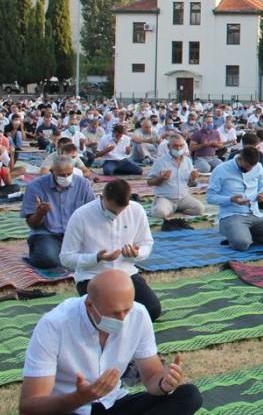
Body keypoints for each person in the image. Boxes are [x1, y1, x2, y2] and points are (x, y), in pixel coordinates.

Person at [19, 269, 202, 415]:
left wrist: (164, 383)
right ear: (90, 306)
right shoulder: (54, 325)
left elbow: (152, 375)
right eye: (114, 313)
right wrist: (79, 397)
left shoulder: (138, 314)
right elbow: (30, 406)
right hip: (69, 408)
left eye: (126, 310)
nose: (123, 319)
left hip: (113, 403)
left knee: (189, 396)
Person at [60, 179, 161, 321]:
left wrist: (136, 254)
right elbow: (66, 258)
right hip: (92, 275)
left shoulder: (136, 210)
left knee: (152, 310)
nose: (116, 216)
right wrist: (96, 258)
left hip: (126, 273)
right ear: (102, 197)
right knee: (102, 316)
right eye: (112, 211)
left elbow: (146, 243)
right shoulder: (81, 215)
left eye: (121, 211)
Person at [206, 146, 263, 251]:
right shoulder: (221, 170)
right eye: (247, 167)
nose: (249, 170)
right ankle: (238, 235)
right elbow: (210, 197)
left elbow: (262, 185)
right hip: (232, 214)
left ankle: (246, 235)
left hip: (255, 213)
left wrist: (261, 194)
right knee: (242, 244)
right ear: (240, 158)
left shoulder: (258, 167)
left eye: (252, 168)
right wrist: (230, 199)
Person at [21, 156, 96, 269]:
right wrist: (40, 213)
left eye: (69, 174)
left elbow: (92, 214)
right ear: (52, 172)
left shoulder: (83, 184)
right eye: (61, 175)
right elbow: (32, 224)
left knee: (102, 254)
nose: (66, 177)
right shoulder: (36, 186)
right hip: (47, 234)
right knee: (48, 259)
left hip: (77, 235)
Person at [147, 135, 205, 231]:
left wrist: (193, 178)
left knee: (200, 209)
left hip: (183, 197)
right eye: (175, 146)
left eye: (181, 145)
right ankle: (166, 207)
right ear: (169, 146)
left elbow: (190, 184)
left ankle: (174, 209)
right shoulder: (160, 161)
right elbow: (149, 182)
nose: (178, 148)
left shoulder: (187, 161)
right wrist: (160, 178)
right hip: (166, 197)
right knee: (160, 213)